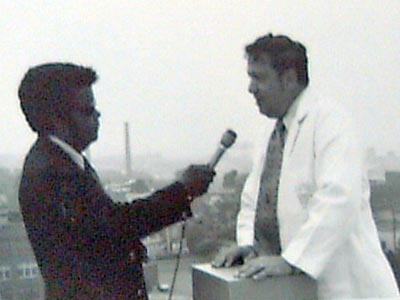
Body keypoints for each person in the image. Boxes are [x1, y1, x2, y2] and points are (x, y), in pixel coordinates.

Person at [212, 34, 399, 299]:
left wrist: (292, 260)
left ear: (288, 79)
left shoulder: (331, 121)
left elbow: (339, 198)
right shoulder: (270, 130)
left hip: (345, 288)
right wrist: (249, 246)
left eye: (259, 78)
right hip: (296, 290)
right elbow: (254, 199)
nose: (250, 88)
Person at [18, 62, 215, 300]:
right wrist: (181, 191)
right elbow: (115, 226)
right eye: (88, 110)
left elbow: (100, 233)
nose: (98, 116)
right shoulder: (52, 172)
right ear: (56, 119)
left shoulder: (62, 162)